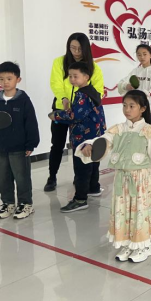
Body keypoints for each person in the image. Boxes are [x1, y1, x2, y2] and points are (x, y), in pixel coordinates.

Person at [76, 90, 151, 263]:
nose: (127, 109)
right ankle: (128, 243)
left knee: (140, 210)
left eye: (131, 106)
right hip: (121, 179)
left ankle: (144, 245)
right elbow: (103, 140)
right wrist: (89, 145)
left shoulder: (149, 130)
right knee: (123, 210)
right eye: (124, 105)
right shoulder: (118, 129)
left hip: (141, 180)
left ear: (143, 108)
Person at [45, 33, 104, 192]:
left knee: (79, 145)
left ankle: (80, 178)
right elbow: (56, 83)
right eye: (73, 48)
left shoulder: (93, 67)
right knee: (57, 144)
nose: (76, 52)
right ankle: (52, 177)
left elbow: (98, 91)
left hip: (83, 114)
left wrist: (82, 104)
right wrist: (64, 98)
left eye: (79, 48)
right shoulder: (59, 62)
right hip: (61, 108)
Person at [50, 61, 106, 213]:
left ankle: (80, 199)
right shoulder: (92, 91)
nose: (72, 79)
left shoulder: (82, 94)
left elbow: (75, 116)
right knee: (93, 163)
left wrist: (56, 115)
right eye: (70, 76)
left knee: (82, 168)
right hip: (95, 137)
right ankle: (93, 188)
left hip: (84, 138)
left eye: (76, 76)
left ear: (86, 77)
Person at [0, 62, 40, 219]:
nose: (5, 82)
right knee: (3, 177)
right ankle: (8, 203)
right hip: (1, 147)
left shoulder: (23, 100)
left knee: (21, 177)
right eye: (1, 79)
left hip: (19, 147)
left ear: (18, 79)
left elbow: (31, 123)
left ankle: (26, 204)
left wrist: (31, 143)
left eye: (9, 78)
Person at [117, 44, 151, 124]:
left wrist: (142, 105)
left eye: (144, 54)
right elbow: (121, 84)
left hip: (148, 110)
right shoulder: (136, 71)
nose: (142, 57)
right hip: (134, 110)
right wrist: (127, 86)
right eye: (139, 55)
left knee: (147, 131)